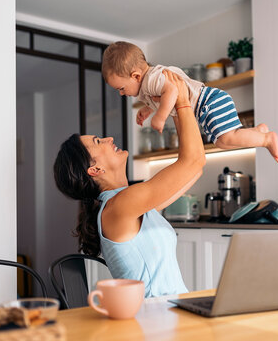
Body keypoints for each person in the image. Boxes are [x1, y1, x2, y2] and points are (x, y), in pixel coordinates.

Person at [53, 70, 205, 298]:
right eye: (98, 141)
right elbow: (193, 161)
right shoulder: (120, 206)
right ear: (95, 170)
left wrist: (173, 106)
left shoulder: (131, 202)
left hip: (174, 312)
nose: (109, 139)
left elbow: (195, 168)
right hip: (154, 321)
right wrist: (181, 102)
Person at [101, 41, 278, 165]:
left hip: (209, 101)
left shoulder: (152, 78)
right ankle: (258, 132)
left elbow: (172, 91)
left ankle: (267, 139)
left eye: (121, 88)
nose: (122, 93)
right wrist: (148, 109)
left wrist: (161, 116)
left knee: (226, 138)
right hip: (208, 105)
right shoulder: (149, 85)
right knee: (221, 142)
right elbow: (164, 96)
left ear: (136, 76)